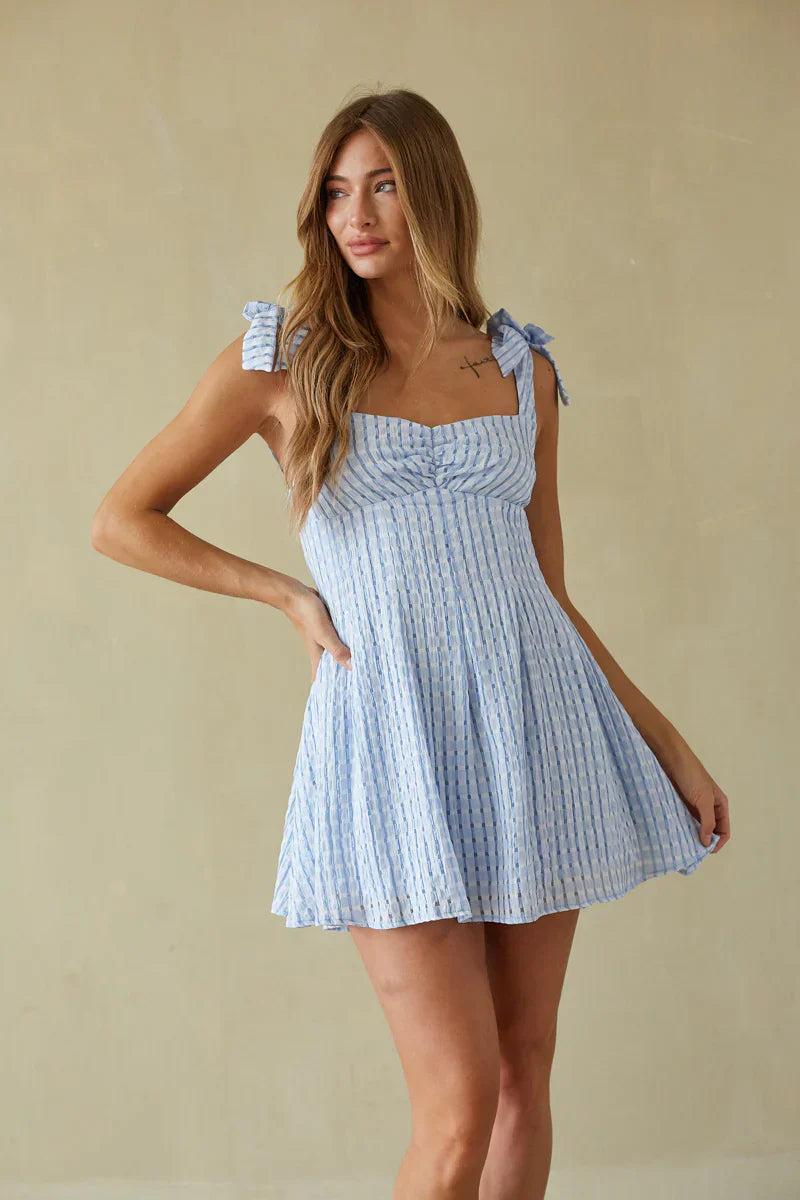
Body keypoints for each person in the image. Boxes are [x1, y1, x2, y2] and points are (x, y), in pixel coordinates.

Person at [91, 88, 730, 1200]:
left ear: (434, 193)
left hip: (535, 732)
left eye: (382, 185)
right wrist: (287, 597)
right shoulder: (283, 360)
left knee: (524, 1076)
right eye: (337, 192)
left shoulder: (520, 369)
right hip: (392, 744)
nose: (356, 214)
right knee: (456, 1109)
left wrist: (666, 743)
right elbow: (121, 519)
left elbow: (547, 594)